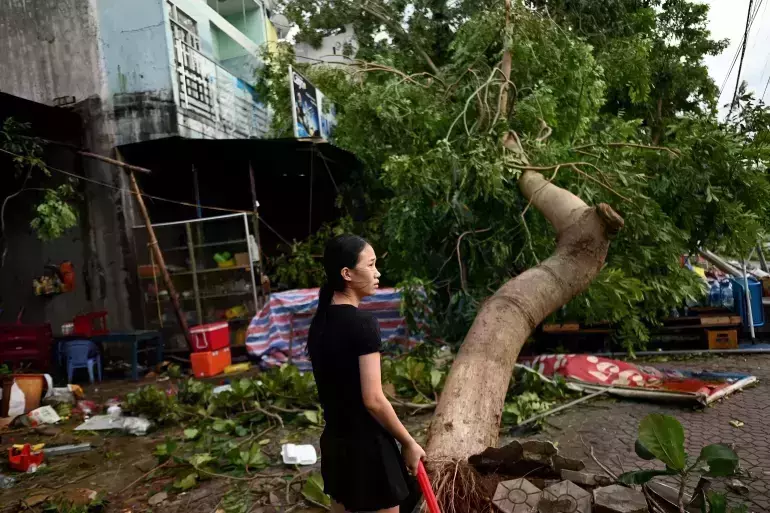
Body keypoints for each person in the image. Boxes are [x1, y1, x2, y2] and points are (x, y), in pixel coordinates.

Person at [308, 234, 426, 513]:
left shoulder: (320, 322)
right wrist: (408, 442)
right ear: (347, 274)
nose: (378, 273)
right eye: (371, 265)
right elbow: (372, 399)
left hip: (336, 447)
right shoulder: (362, 324)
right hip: (368, 451)